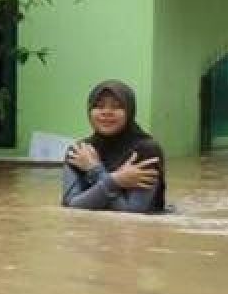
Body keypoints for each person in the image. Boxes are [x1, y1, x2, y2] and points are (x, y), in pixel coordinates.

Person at [62, 80, 166, 213]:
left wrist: (95, 170)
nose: (106, 112)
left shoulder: (146, 151)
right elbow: (71, 206)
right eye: (99, 106)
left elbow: (132, 214)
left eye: (116, 107)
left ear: (129, 111)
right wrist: (116, 180)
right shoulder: (80, 152)